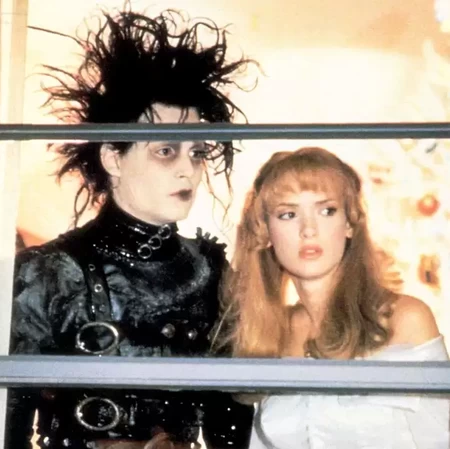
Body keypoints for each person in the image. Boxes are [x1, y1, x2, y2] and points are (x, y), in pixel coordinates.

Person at [7, 6, 258, 449]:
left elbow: (230, 419)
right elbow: (8, 419)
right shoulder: (46, 274)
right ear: (112, 158)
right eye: (166, 151)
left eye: (198, 153)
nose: (188, 170)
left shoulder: (211, 271)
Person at [218, 147, 450, 448]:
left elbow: (440, 436)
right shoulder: (271, 335)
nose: (308, 230)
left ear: (350, 223)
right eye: (288, 214)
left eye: (326, 210)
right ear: (265, 233)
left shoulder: (404, 319)